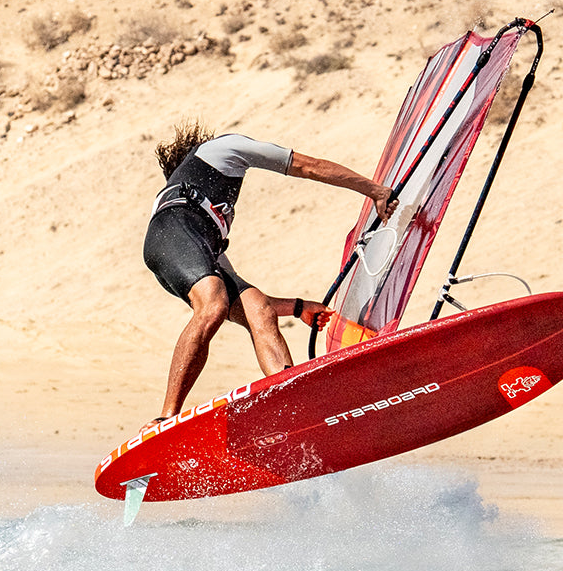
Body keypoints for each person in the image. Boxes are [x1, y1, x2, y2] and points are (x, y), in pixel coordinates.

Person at [142, 121, 395, 424]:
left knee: (258, 309)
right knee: (213, 305)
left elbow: (242, 302)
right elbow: (308, 166)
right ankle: (166, 417)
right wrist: (374, 191)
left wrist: (298, 307)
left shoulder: (210, 220)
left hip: (181, 245)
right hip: (170, 232)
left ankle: (291, 399)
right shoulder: (223, 148)